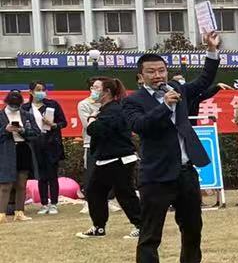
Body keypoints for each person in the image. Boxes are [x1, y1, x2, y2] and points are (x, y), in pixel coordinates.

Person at [122, 31, 224, 263]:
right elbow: (140, 126)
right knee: (150, 233)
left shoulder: (177, 89)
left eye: (161, 70)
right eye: (151, 72)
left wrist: (212, 51)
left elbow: (204, 80)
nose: (158, 75)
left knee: (192, 225)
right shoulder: (133, 101)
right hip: (156, 175)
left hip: (185, 171)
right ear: (140, 76)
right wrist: (164, 107)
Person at [76, 78, 141, 239]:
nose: (93, 90)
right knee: (94, 191)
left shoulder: (113, 110)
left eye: (96, 88)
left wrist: (91, 118)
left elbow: (94, 129)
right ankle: (99, 227)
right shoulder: (105, 109)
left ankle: (141, 226)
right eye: (92, 87)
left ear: (107, 92)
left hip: (120, 159)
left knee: (125, 193)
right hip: (106, 159)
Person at [25, 81, 66, 214]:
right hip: (35, 146)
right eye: (38, 90)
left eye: (43, 89)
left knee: (52, 175)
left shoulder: (52, 104)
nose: (41, 92)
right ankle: (44, 204)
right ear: (31, 92)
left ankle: (53, 204)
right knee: (41, 176)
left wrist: (54, 125)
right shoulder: (25, 108)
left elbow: (63, 122)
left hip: (51, 144)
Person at [2, 90, 41, 224]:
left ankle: (19, 212)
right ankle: (1, 214)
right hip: (6, 151)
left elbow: (36, 133)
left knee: (21, 183)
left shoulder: (27, 115)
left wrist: (22, 130)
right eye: (12, 105)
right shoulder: (1, 115)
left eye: (17, 105)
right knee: (5, 184)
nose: (14, 107)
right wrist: (5, 130)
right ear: (6, 102)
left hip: (23, 149)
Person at [77, 76, 104, 179]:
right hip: (91, 145)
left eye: (99, 88)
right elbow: (89, 127)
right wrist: (93, 116)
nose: (96, 90)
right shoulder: (84, 104)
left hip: (109, 145)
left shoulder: (109, 103)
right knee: (92, 178)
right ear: (90, 88)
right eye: (94, 87)